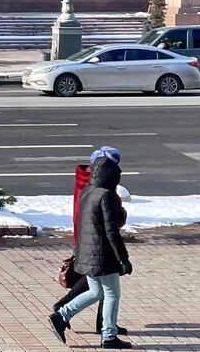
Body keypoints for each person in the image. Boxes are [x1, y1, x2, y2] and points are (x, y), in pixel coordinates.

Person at [49, 148, 133, 349]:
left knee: (96, 292)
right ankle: (109, 336)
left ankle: (61, 316)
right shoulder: (107, 196)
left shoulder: (87, 191)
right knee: (112, 294)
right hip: (103, 255)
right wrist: (123, 259)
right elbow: (111, 231)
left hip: (88, 252)